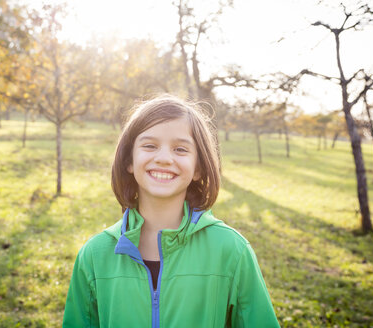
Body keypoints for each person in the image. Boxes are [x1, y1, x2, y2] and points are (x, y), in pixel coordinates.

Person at [62, 94, 280, 327]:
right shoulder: (95, 255)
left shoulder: (231, 251)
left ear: (198, 167)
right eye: (149, 145)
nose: (164, 158)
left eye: (180, 149)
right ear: (129, 161)